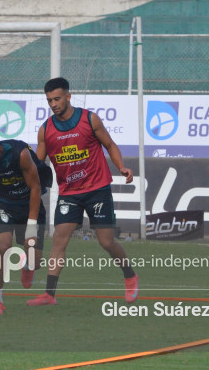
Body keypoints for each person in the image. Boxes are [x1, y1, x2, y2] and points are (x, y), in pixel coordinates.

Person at [28, 77, 139, 306]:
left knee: (107, 243)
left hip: (97, 189)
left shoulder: (90, 119)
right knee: (59, 240)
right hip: (69, 193)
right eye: (49, 100)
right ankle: (49, 294)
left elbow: (109, 145)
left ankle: (130, 276)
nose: (53, 104)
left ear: (68, 97)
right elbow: (38, 164)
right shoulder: (46, 130)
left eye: (57, 99)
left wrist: (121, 167)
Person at [0, 130, 52, 314]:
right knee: (3, 247)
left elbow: (36, 187)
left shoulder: (20, 154)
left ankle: (28, 266)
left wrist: (31, 225)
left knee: (36, 261)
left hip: (29, 202)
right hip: (2, 203)